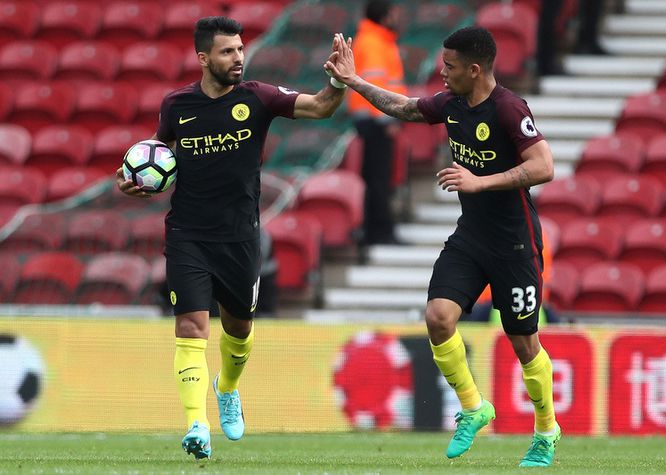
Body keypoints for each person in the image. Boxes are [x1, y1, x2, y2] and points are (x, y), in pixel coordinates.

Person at [116, 17, 349, 460]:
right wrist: (135, 176)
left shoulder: (258, 97)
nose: (238, 58)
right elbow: (155, 154)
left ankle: (228, 388)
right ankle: (196, 425)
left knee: (239, 329)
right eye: (227, 52)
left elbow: (321, 108)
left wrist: (337, 82)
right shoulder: (176, 105)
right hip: (187, 234)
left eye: (240, 49)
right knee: (190, 326)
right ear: (204, 58)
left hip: (241, 238)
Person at [326, 27, 561, 467]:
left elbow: (544, 165)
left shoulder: (509, 109)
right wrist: (354, 81)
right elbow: (405, 107)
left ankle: (546, 430)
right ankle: (474, 408)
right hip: (471, 237)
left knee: (524, 343)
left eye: (449, 66)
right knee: (438, 317)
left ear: (475, 70)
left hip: (515, 242)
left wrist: (480, 181)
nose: (441, 71)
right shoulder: (451, 104)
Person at [347, 0, 407, 245]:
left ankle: (378, 231)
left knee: (378, 179)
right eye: (393, 14)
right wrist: (387, 120)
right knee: (378, 180)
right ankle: (379, 232)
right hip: (375, 123)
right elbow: (375, 88)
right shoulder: (373, 42)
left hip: (374, 121)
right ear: (384, 16)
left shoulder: (378, 40)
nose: (397, 17)